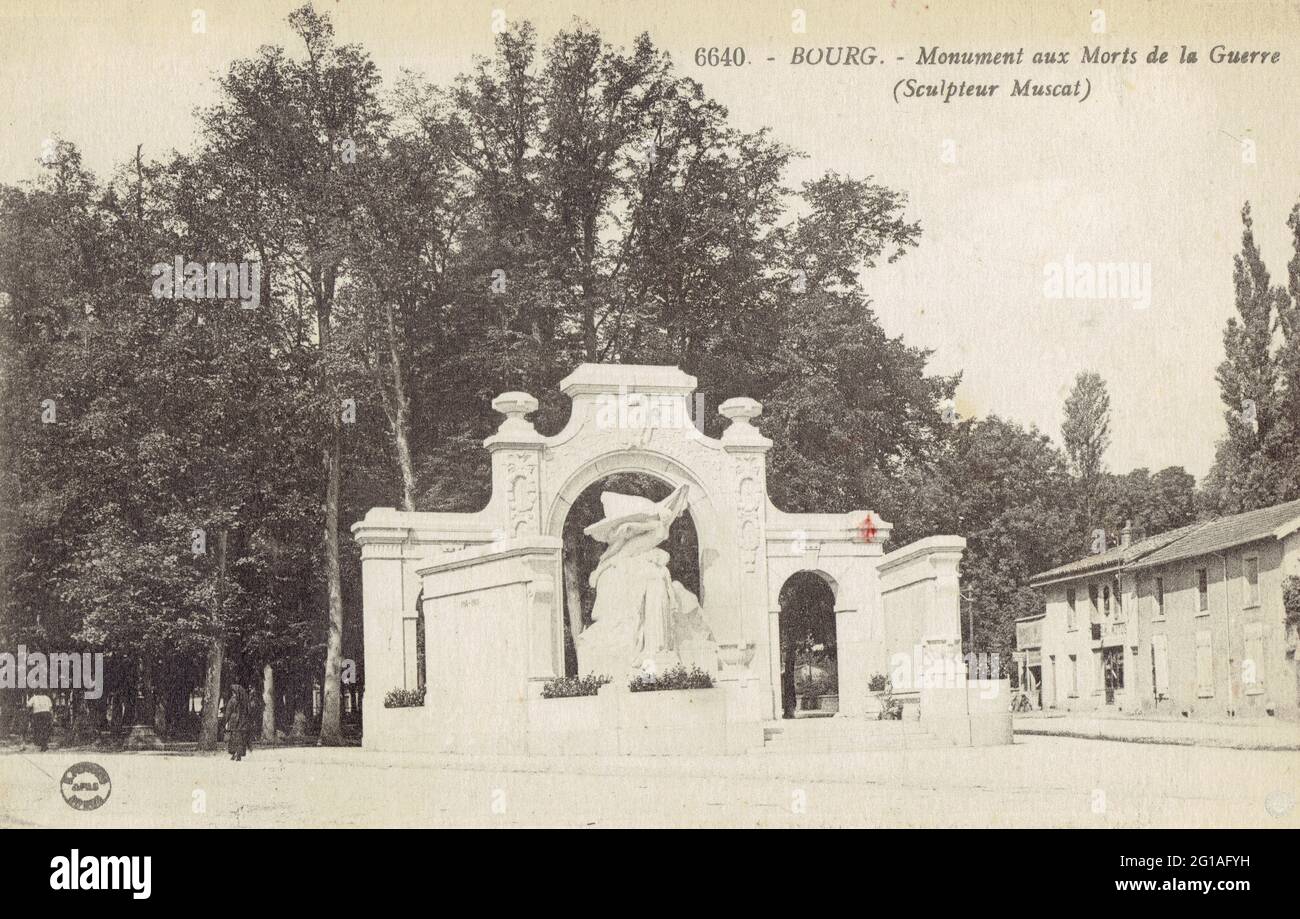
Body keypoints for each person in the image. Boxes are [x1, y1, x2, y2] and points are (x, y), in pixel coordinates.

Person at [225, 684, 247, 761]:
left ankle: (234, 753)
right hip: (242, 721)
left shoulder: (232, 700)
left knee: (233, 737)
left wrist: (226, 721)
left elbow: (228, 711)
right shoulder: (243, 701)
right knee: (240, 737)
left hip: (234, 720)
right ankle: (239, 754)